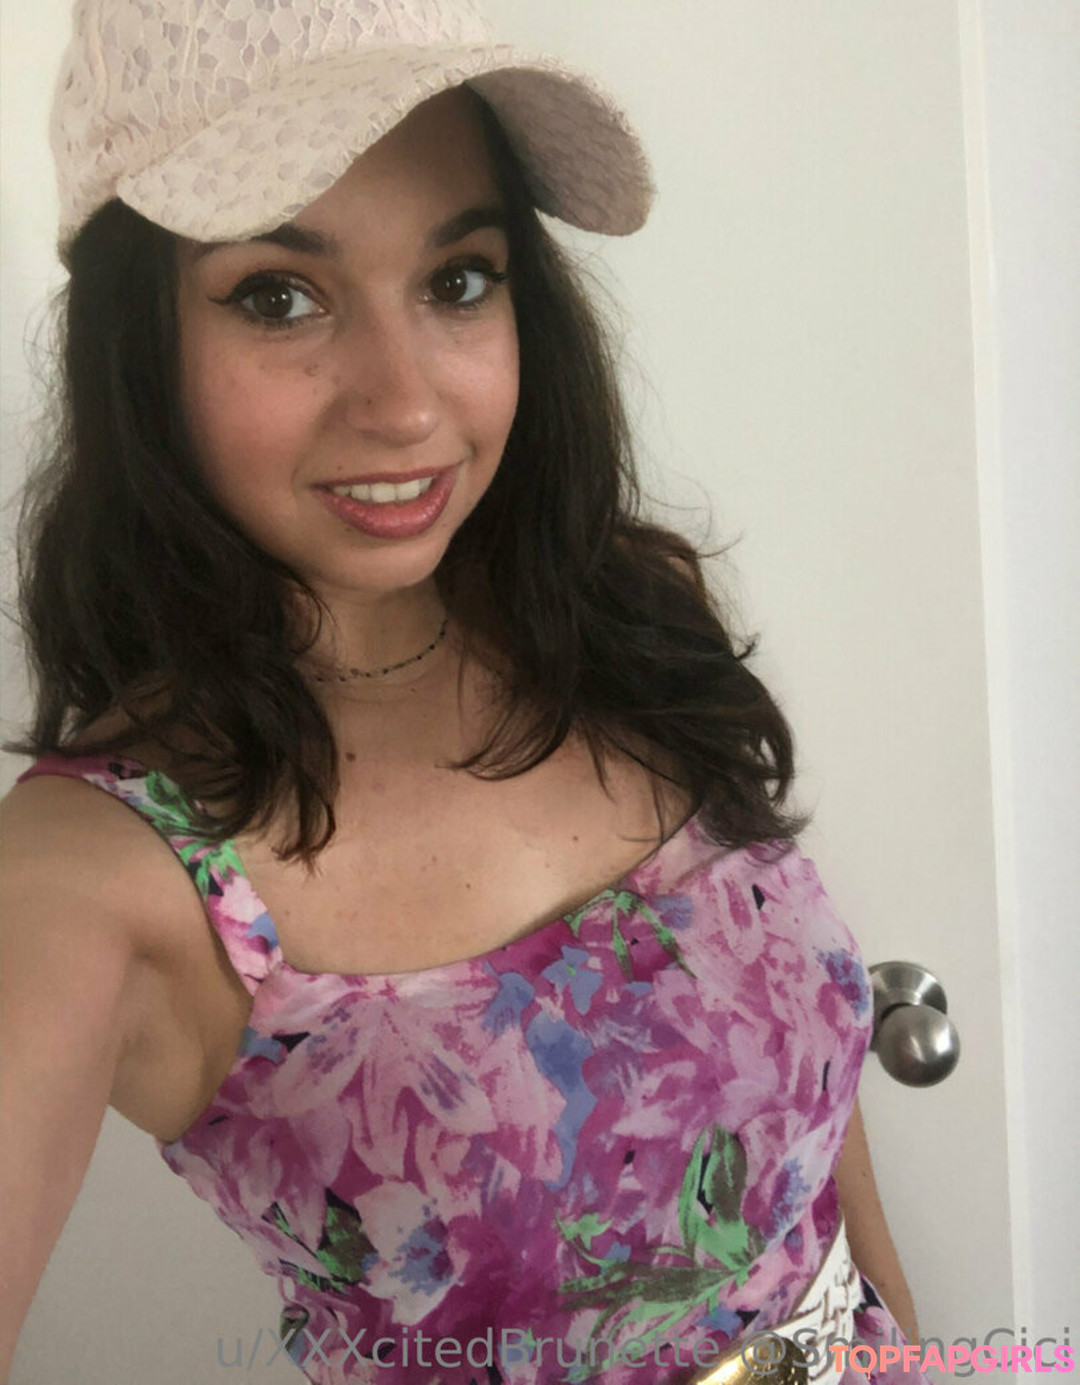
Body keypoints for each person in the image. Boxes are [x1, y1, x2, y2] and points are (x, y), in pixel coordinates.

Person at [0, 1, 925, 1382]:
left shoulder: (619, 623)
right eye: (280, 295)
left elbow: (817, 1134)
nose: (405, 403)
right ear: (139, 340)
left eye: (458, 279)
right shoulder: (97, 874)